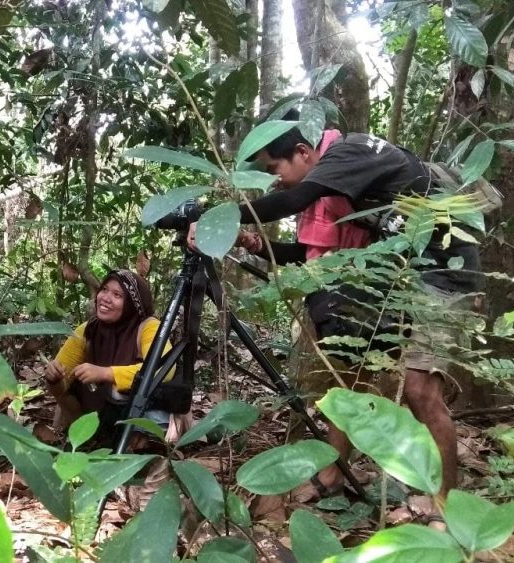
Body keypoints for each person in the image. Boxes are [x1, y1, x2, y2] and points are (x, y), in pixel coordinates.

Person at [188, 125, 483, 500]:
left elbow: (296, 200)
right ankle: (333, 474)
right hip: (402, 276)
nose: (275, 182)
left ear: (304, 152)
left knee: (421, 390)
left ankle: (446, 501)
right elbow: (309, 251)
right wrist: (256, 243)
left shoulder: (350, 153)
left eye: (275, 168)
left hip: (445, 273)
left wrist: (216, 215)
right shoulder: (341, 184)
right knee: (350, 374)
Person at [44, 269, 188, 444]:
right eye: (104, 290)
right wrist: (54, 378)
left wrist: (105, 373)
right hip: (98, 417)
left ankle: (139, 447)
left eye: (117, 295)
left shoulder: (149, 327)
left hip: (144, 412)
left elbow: (162, 369)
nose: (105, 297)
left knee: (124, 397)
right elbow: (61, 383)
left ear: (133, 304)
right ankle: (88, 439)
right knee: (68, 388)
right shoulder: (88, 330)